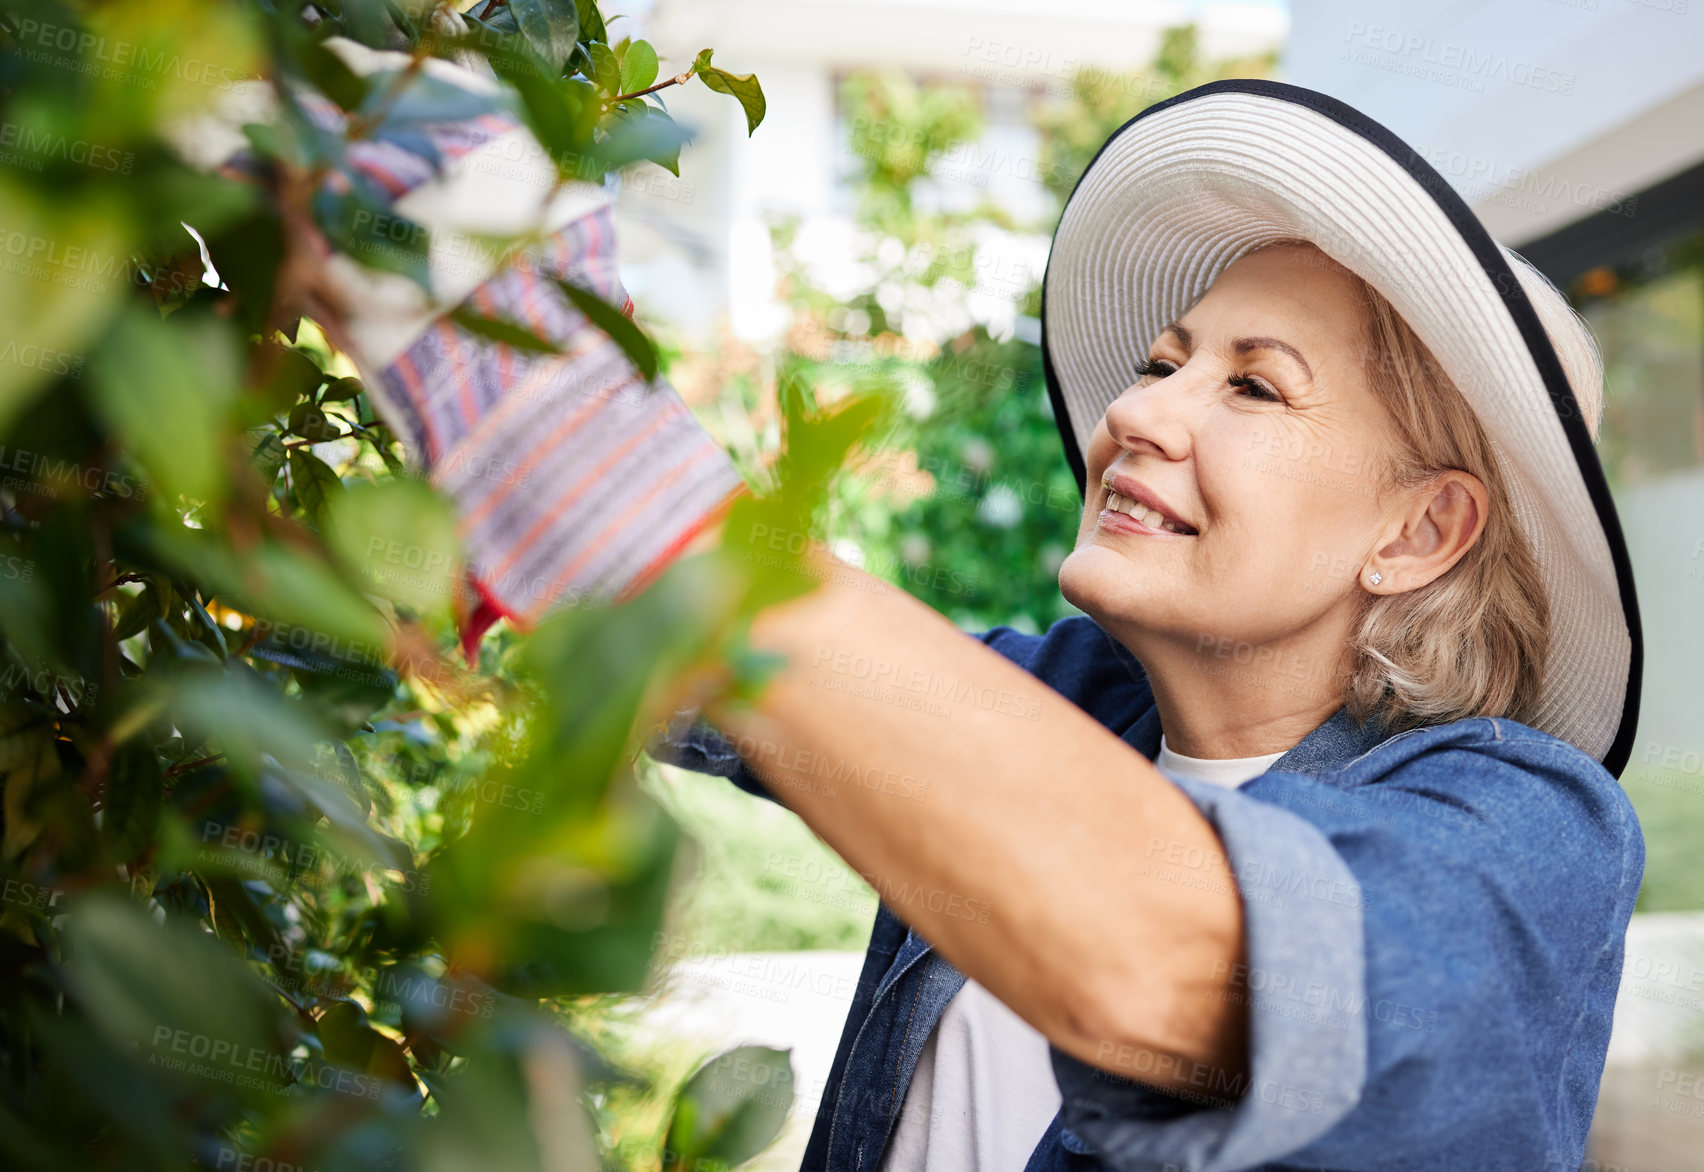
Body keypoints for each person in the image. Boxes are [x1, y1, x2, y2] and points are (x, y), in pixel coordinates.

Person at [289, 55, 1644, 1172]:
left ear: (1420, 532)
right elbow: (719, 670)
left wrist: (559, 424)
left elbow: (1176, 963)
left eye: (1253, 388)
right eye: (1164, 361)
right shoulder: (1070, 704)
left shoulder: (1521, 830)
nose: (1135, 411)